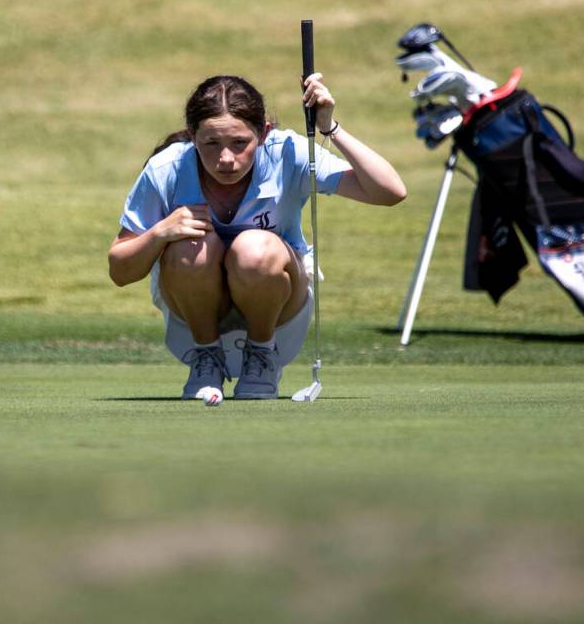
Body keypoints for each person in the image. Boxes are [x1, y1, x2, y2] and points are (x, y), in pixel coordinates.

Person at [108, 73, 406, 400]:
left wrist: (329, 128)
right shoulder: (167, 168)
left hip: (280, 315)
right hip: (193, 318)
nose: (225, 159)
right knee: (189, 246)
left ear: (264, 133)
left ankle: (261, 355)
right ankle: (206, 358)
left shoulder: (287, 151)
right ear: (192, 136)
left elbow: (390, 191)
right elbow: (120, 271)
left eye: (239, 143)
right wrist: (160, 233)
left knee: (255, 248)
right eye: (210, 143)